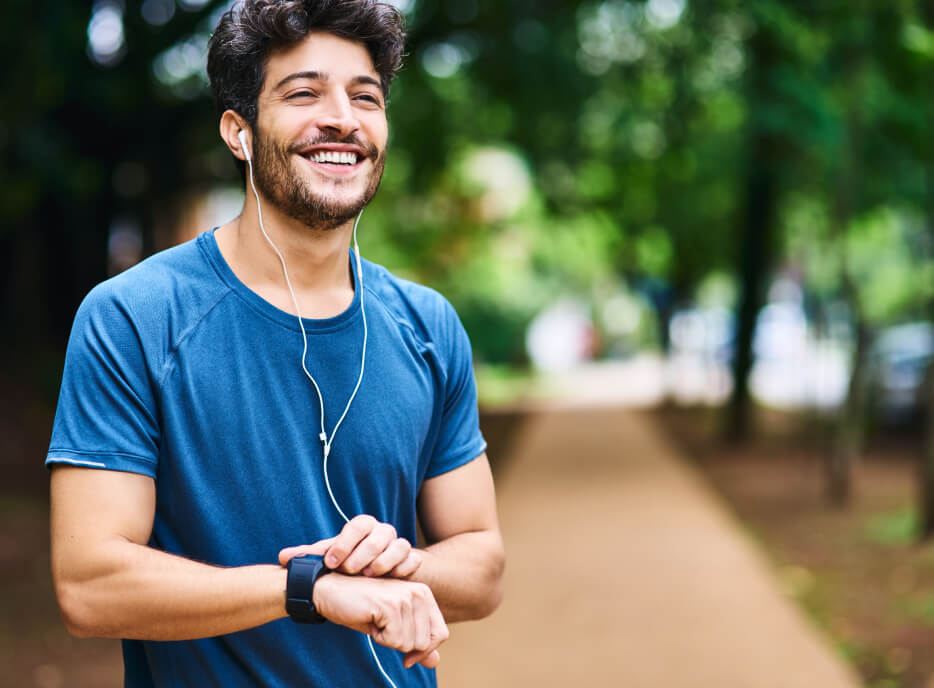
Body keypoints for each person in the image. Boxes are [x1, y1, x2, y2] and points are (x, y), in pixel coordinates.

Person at [46, 1, 505, 686]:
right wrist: (311, 588)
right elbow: (89, 584)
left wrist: (393, 566)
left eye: (365, 97)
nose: (342, 119)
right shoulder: (133, 318)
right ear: (239, 132)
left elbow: (482, 567)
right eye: (303, 93)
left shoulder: (428, 326)